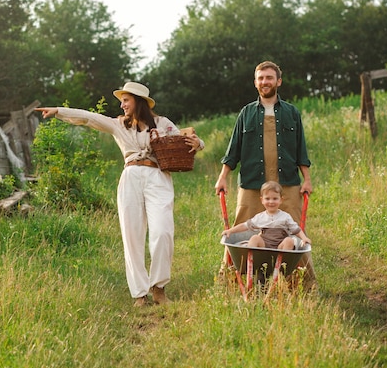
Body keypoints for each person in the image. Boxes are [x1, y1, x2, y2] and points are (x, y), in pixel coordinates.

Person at [36, 82, 205, 307]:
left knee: (163, 232)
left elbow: (184, 139)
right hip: (131, 177)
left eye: (126, 100)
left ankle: (159, 288)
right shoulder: (118, 125)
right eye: (121, 101)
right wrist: (59, 111)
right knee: (132, 236)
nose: (122, 104)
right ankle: (139, 294)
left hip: (158, 177)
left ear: (138, 101)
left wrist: (199, 143)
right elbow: (89, 117)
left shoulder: (162, 123)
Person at [214, 61, 316, 287]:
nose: (265, 82)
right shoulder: (246, 113)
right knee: (238, 235)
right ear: (255, 82)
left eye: (269, 78)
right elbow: (233, 151)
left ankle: (301, 285)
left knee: (295, 233)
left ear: (278, 81)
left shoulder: (291, 112)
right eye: (260, 78)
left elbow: (301, 150)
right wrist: (223, 177)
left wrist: (307, 179)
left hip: (287, 183)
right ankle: (230, 282)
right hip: (252, 183)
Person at [221, 181, 311, 250]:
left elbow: (296, 229)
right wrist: (230, 231)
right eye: (267, 199)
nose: (271, 202)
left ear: (281, 200)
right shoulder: (260, 217)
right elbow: (245, 226)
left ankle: (282, 267)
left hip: (280, 246)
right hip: (264, 246)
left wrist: (304, 238)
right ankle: (252, 262)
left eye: (275, 198)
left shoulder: (285, 217)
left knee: (290, 241)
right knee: (255, 238)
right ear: (262, 200)